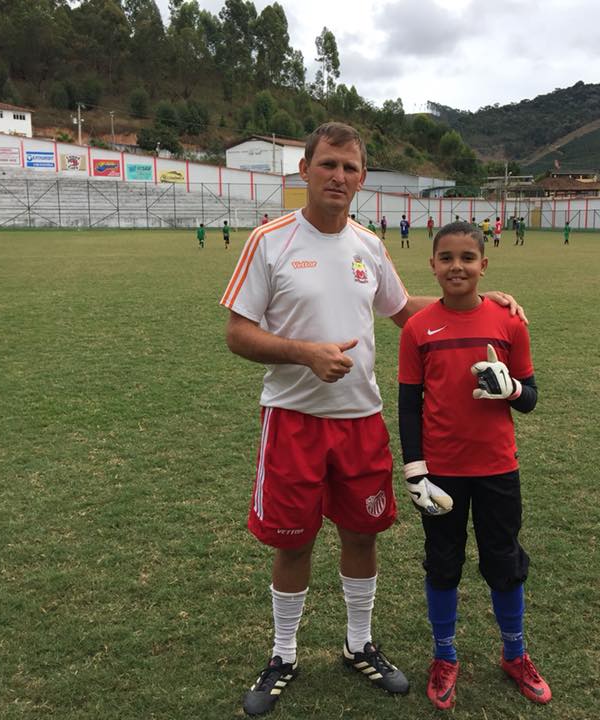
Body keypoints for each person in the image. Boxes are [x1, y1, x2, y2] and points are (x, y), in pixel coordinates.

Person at [220, 123, 527, 717]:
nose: (338, 177)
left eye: (350, 168)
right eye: (328, 164)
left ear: (362, 178)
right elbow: (237, 333)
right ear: (305, 168)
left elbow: (405, 312)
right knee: (294, 542)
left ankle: (358, 645)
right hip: (293, 419)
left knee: (363, 535)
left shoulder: (367, 244)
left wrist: (484, 305)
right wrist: (304, 353)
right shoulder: (269, 240)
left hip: (362, 419)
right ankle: (283, 654)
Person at [396, 221, 550, 710]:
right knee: (443, 564)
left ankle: (515, 653)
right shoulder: (418, 329)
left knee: (504, 562)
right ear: (433, 266)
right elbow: (406, 405)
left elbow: (529, 399)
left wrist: (511, 390)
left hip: (497, 470)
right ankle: (444, 656)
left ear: (484, 265)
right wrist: (415, 469)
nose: (457, 266)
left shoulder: (509, 323)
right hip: (440, 472)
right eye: (447, 258)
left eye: (467, 257)